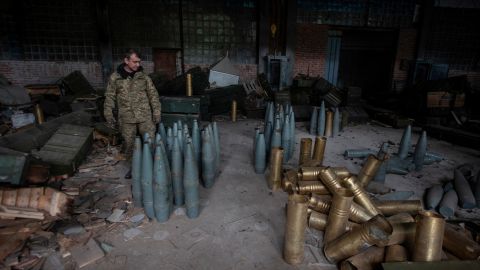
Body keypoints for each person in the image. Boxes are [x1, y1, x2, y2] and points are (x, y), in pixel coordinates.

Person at [104, 49, 161, 178]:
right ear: (126, 60)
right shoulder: (115, 78)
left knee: (150, 142)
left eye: (139, 62)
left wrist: (156, 111)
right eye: (135, 62)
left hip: (145, 116)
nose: (137, 65)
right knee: (129, 145)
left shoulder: (144, 77)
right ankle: (134, 168)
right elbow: (109, 97)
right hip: (126, 117)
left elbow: (153, 95)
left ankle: (151, 167)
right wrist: (108, 114)